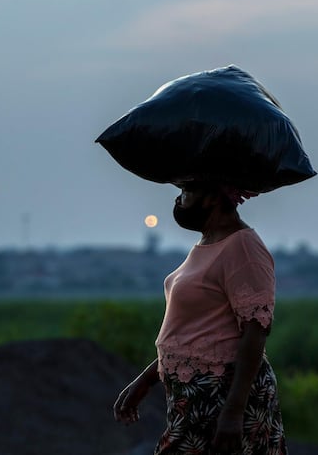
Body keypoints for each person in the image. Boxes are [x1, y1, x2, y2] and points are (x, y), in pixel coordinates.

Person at [113, 182, 287, 454]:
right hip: (192, 396)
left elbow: (256, 330)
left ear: (212, 199)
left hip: (221, 394)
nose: (178, 200)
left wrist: (233, 412)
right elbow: (193, 333)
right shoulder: (207, 244)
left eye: (186, 192)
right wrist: (146, 380)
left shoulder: (243, 247)